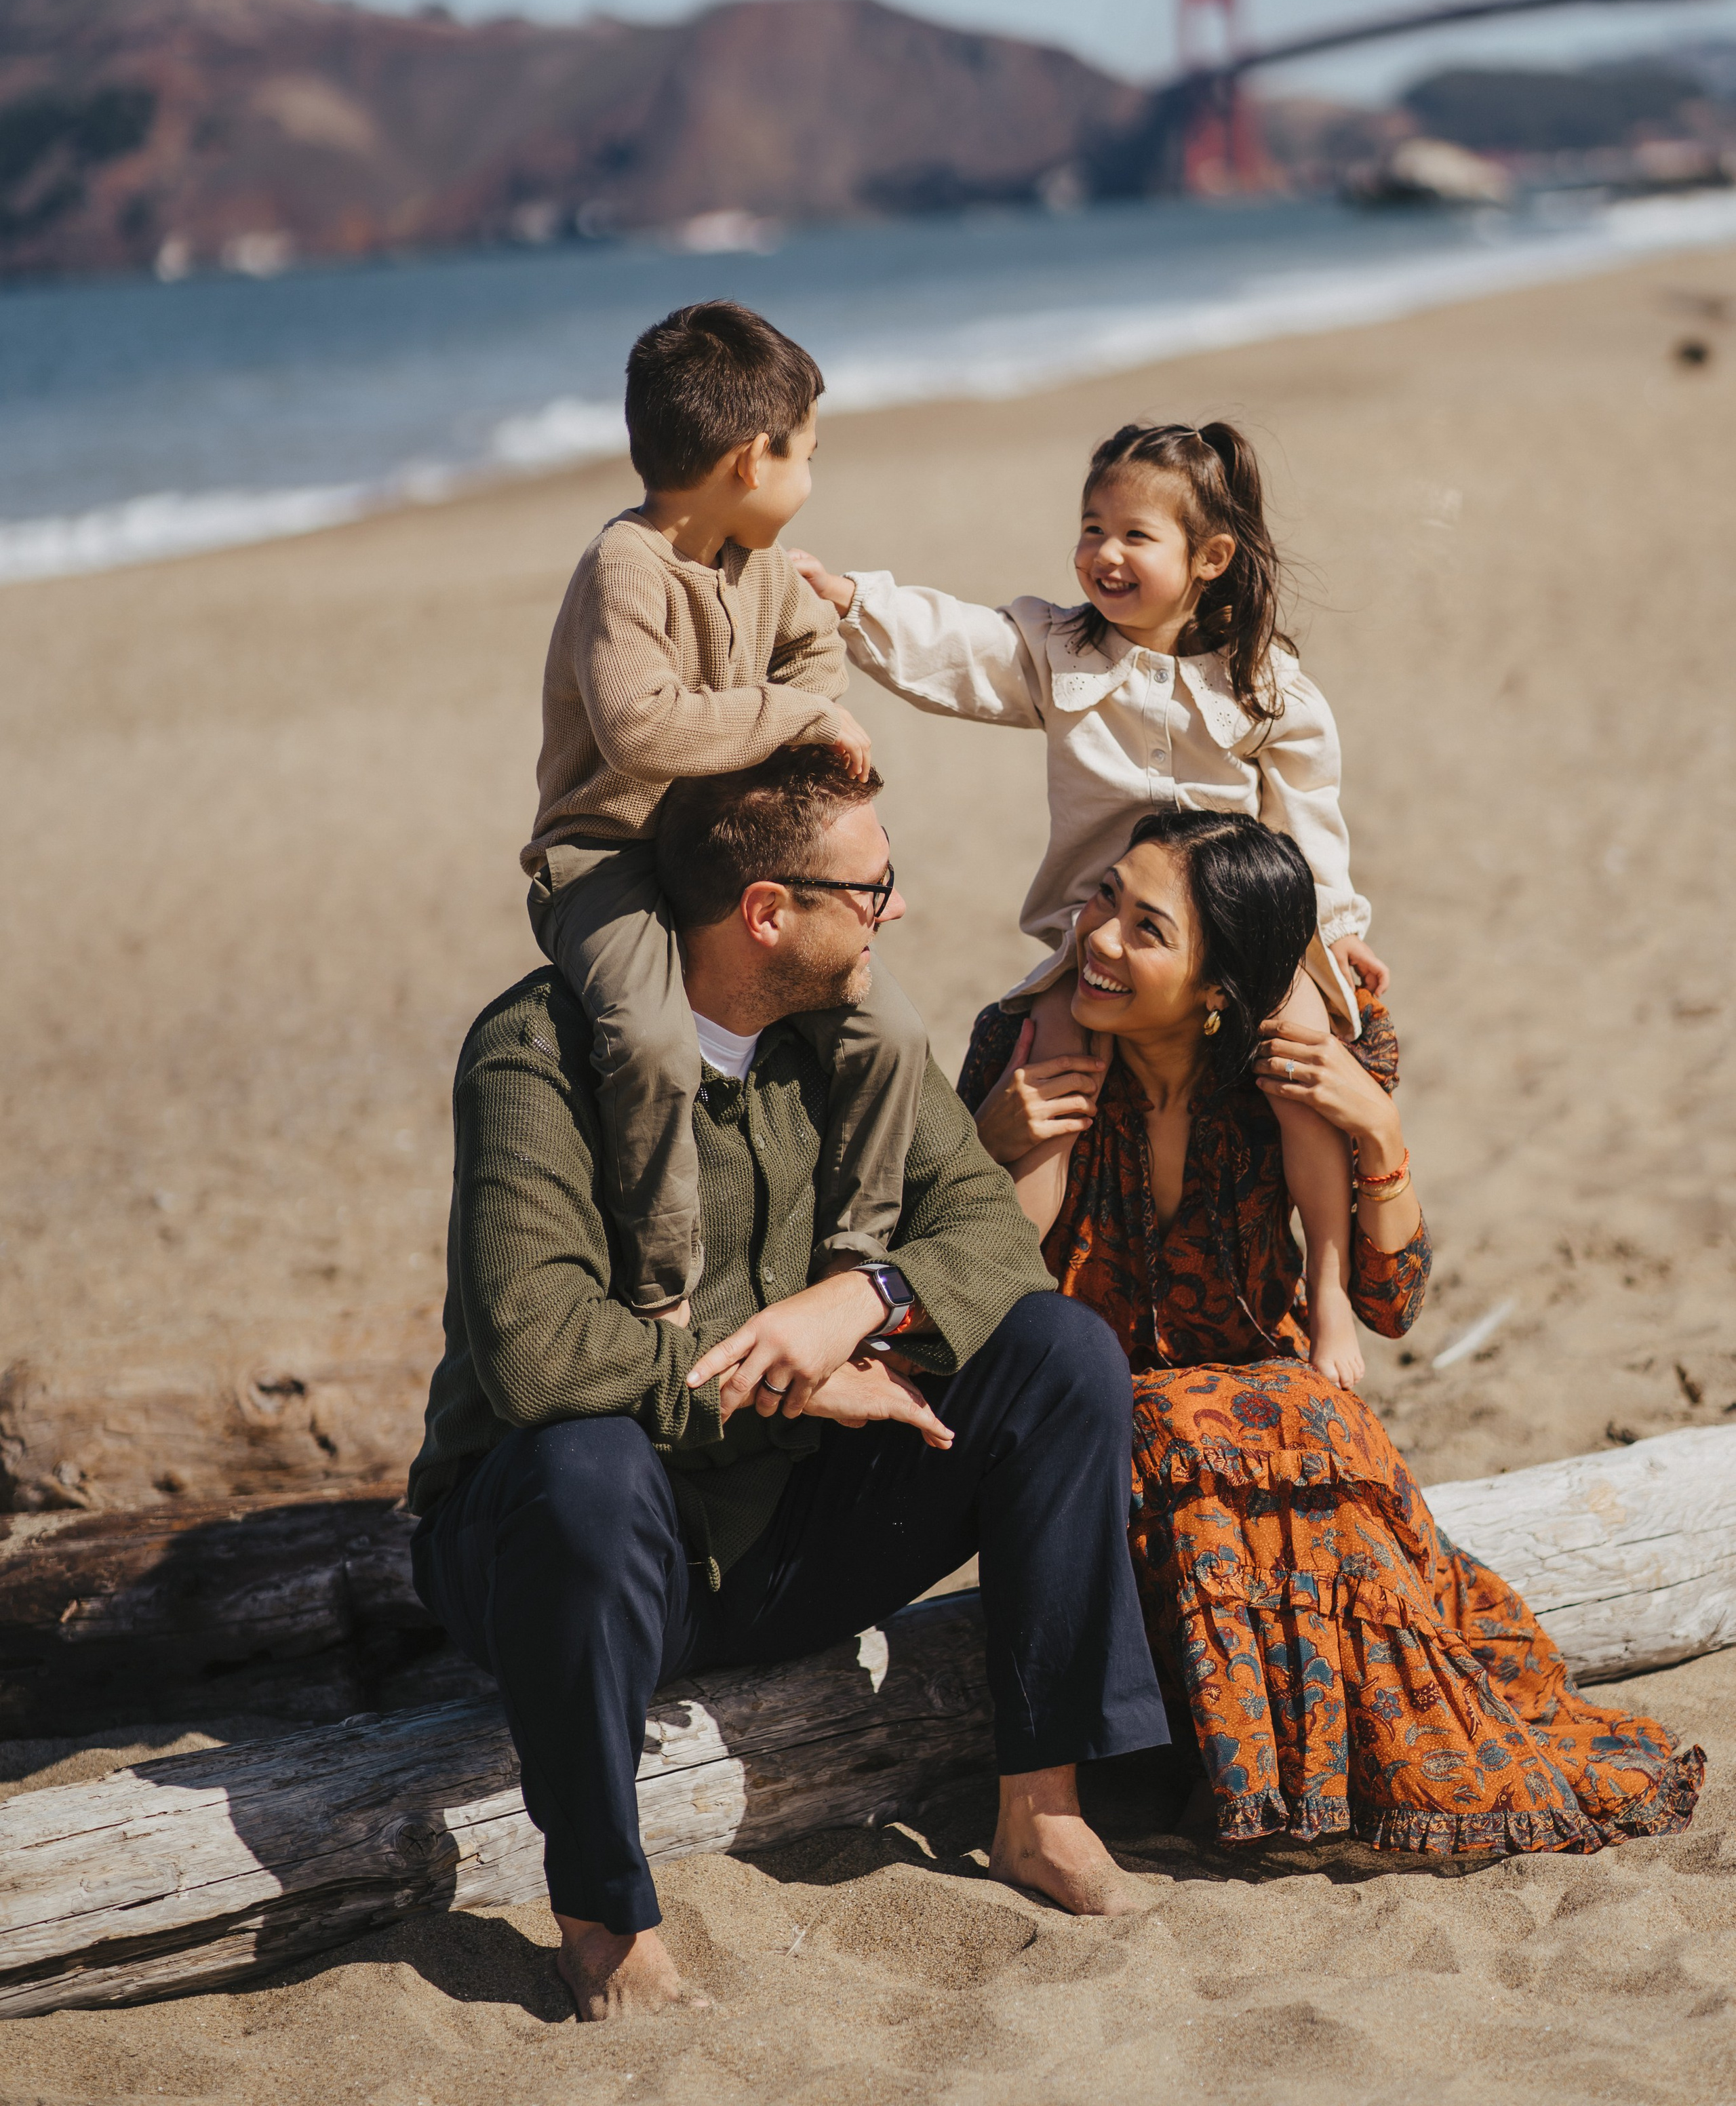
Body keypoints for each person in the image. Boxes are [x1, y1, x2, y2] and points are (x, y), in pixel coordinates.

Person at [410, 748, 1171, 2022]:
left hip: (788, 1532)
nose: (899, 909)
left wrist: (859, 1301)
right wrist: (792, 1379)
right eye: (873, 888)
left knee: (1061, 1357)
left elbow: (987, 1231)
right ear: (769, 911)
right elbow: (538, 1351)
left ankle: (1042, 1811)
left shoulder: (853, 1046)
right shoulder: (535, 1050)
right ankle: (603, 1916)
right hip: (580, 1555)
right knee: (584, 1464)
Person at [960, 806, 1705, 1860]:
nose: (1100, 937)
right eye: (1104, 899)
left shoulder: (1303, 1063)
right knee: (1197, 1424)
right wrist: (991, 1143)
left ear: (1221, 992)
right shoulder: (1025, 1043)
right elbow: (984, 1298)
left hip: (1269, 1433)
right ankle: (1238, 1776)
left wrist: (1383, 1132)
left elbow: (1391, 1305)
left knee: (1317, 1424)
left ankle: (1309, 1782)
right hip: (1088, 1438)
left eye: (1146, 928)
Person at [793, 418, 1381, 1391]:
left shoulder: (1268, 688)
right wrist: (854, 601)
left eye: (1134, 536)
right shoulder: (1060, 651)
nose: (1104, 554)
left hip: (1234, 937)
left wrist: (1342, 933)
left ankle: (1325, 1291)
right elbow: (960, 645)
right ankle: (1001, 1309)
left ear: (1211, 558)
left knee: (1303, 1065)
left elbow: (1309, 820)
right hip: (1098, 938)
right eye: (1091, 526)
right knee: (1053, 1084)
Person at [522, 298, 928, 1324]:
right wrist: (796, 714)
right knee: (653, 1044)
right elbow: (645, 733)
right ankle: (664, 1294)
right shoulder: (626, 569)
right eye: (809, 456)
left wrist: (799, 719)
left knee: (891, 1031)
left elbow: (819, 656)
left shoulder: (761, 571)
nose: (810, 478)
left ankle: (853, 1261)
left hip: (724, 848)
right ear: (753, 461)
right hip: (608, 855)